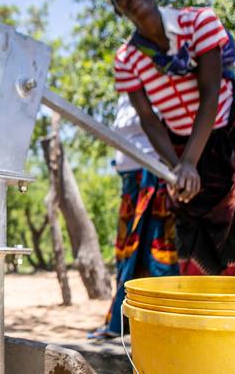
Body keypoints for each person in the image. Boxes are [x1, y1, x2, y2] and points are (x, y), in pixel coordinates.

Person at [108, 0, 235, 275]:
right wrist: (175, 167)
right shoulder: (126, 60)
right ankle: (198, 310)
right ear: (117, 8)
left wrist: (189, 162)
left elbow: (211, 95)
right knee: (191, 229)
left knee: (233, 224)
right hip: (177, 146)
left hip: (226, 134)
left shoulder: (198, 22)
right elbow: (150, 121)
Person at [91, 96, 178, 339]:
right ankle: (122, 323)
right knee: (127, 254)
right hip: (130, 182)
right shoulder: (125, 93)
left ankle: (164, 326)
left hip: (155, 178)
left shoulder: (160, 80)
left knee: (157, 253)